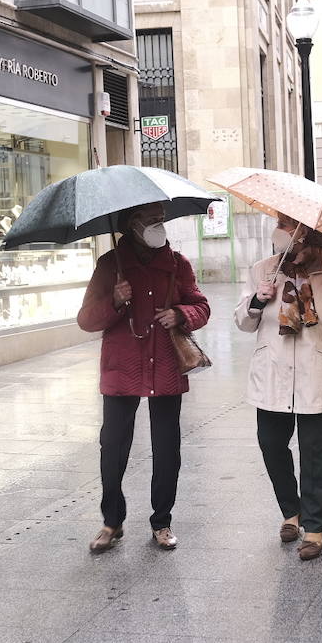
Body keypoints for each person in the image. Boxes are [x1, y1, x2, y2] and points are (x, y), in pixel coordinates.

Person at [77, 203, 211, 553]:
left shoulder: (177, 265)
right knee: (112, 447)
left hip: (165, 365)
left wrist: (181, 314)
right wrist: (115, 301)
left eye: (160, 220)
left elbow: (202, 306)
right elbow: (87, 319)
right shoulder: (110, 265)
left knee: (167, 448)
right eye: (149, 220)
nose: (157, 226)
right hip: (122, 367)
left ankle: (162, 521)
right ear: (131, 226)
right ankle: (112, 521)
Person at [236, 215, 322, 561]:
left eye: (292, 230)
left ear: (309, 238)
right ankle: (290, 512)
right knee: (271, 446)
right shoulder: (263, 269)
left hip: (318, 375)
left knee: (315, 455)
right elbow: (243, 323)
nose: (283, 236)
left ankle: (314, 526)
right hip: (272, 376)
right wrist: (257, 301)